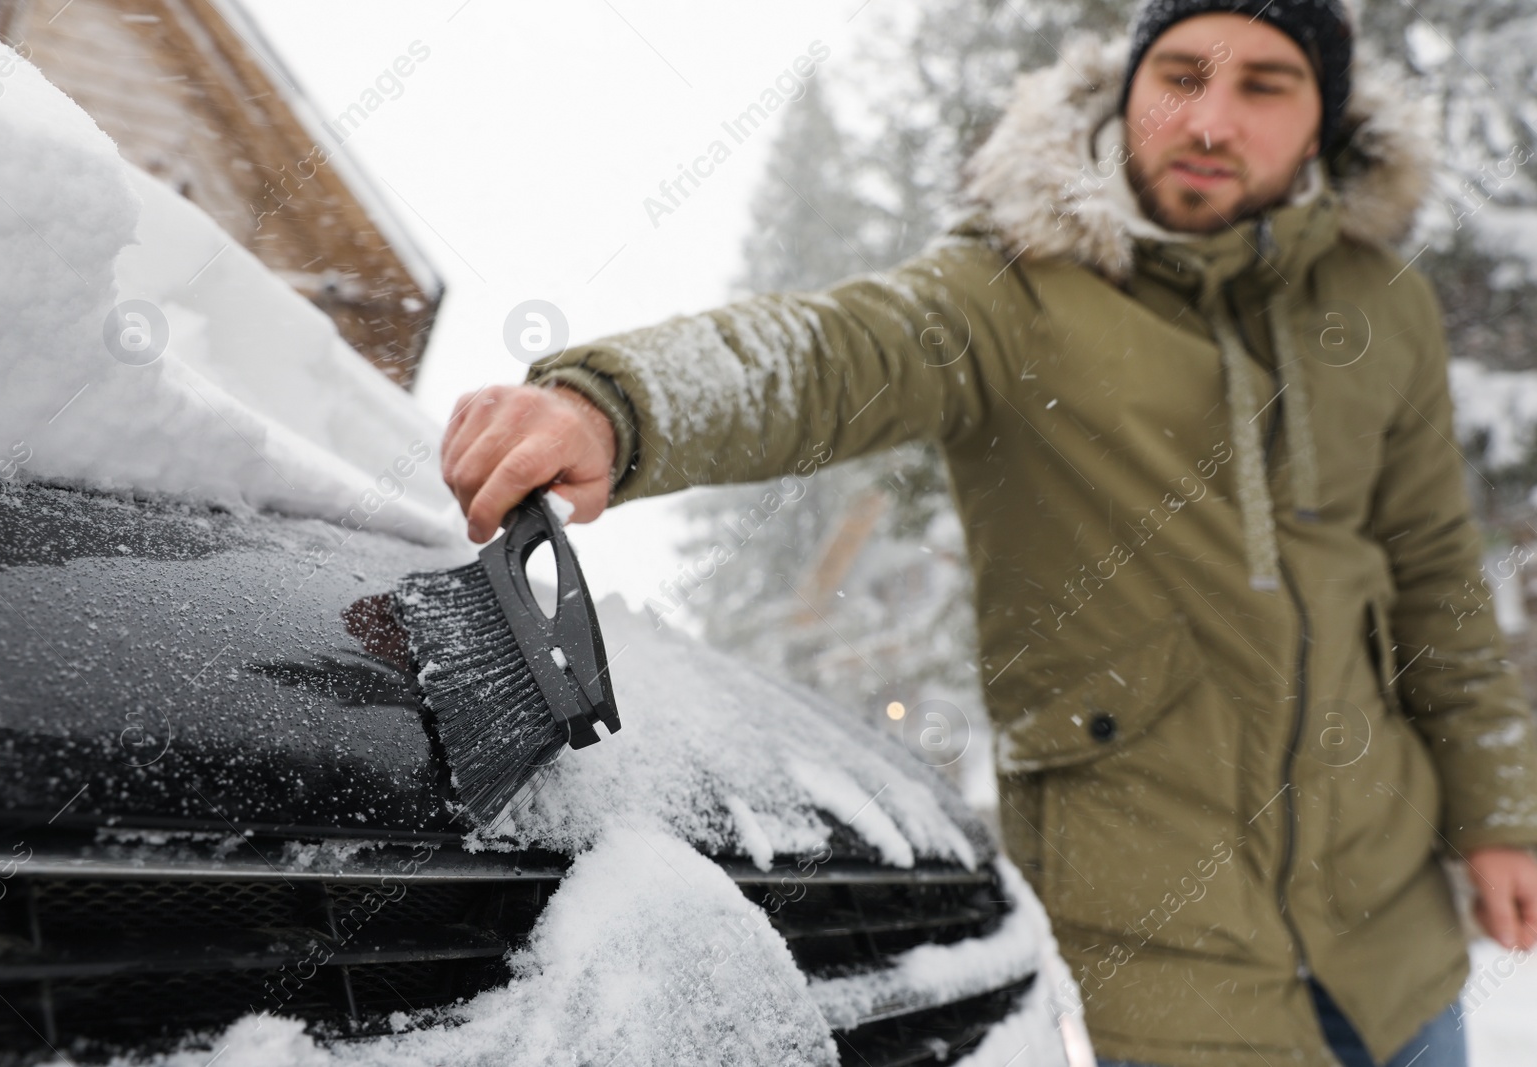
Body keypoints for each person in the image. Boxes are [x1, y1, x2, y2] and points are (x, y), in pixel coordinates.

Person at [439, 2, 1537, 1064]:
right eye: (1181, 73)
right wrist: (613, 405)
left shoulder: (1376, 304)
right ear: (1128, 83)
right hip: (1155, 964)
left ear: (1323, 119)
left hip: (1393, 945)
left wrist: (1497, 812)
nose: (1211, 119)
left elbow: (1433, 576)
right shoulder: (1014, 288)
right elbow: (827, 353)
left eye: (1266, 84)